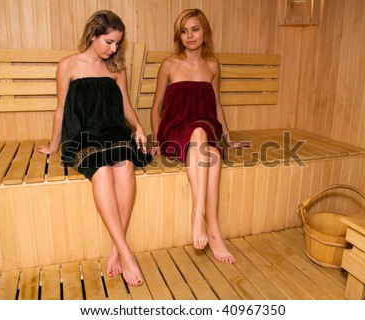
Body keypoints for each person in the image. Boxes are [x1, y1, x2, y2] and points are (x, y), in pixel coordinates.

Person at [38, 10, 151, 286]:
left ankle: (116, 249)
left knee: (124, 168)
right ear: (93, 35)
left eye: (117, 44)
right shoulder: (69, 65)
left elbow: (124, 104)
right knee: (101, 170)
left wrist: (139, 128)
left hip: (113, 131)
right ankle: (126, 252)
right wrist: (54, 145)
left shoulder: (116, 67)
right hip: (83, 135)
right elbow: (61, 109)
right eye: (108, 42)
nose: (113, 49)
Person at [150, 8, 249, 264]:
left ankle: (210, 226)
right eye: (184, 31)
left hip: (205, 128)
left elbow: (216, 105)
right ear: (178, 36)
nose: (189, 35)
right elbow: (156, 107)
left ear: (205, 31)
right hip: (175, 129)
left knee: (212, 149)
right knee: (208, 150)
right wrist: (157, 142)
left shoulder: (213, 65)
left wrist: (227, 138)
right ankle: (203, 218)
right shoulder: (169, 65)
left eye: (195, 29)